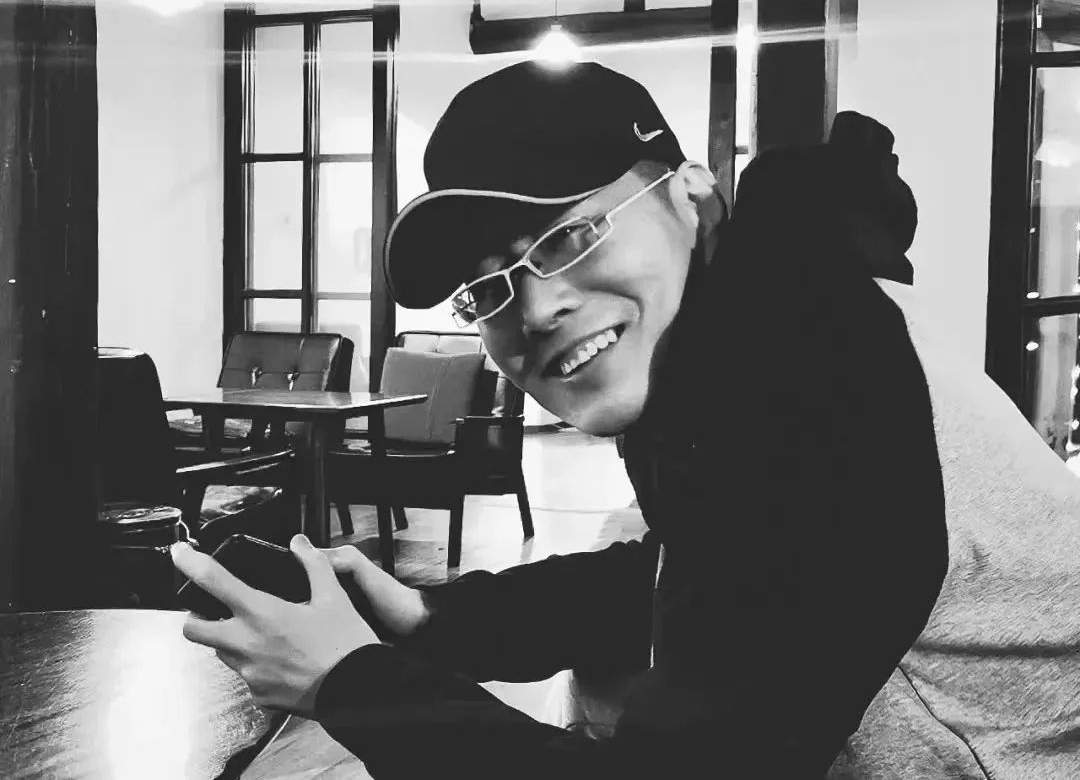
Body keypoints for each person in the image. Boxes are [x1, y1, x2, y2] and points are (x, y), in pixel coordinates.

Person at [172, 61, 949, 777]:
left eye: (572, 235)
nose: (537, 308)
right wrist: (431, 617)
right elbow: (683, 574)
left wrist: (353, 684)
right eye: (489, 289)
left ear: (693, 198)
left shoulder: (814, 367)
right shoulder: (725, 344)